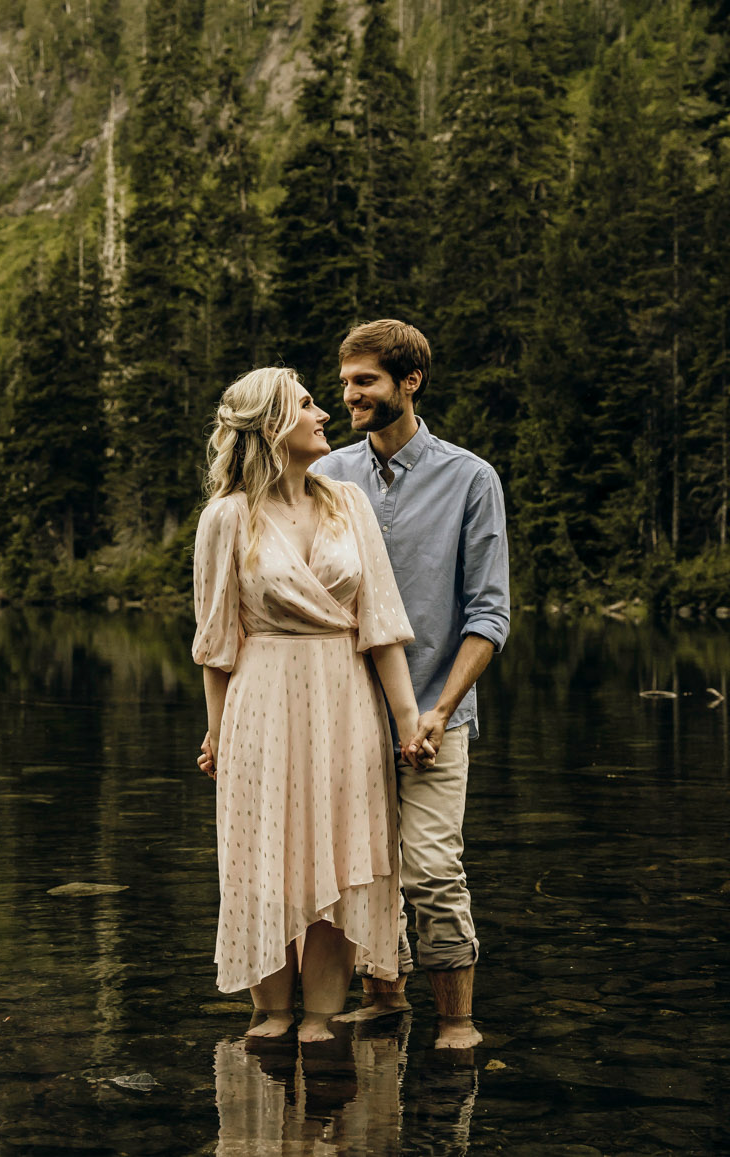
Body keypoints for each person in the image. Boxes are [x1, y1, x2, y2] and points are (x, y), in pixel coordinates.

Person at [192, 367, 426, 1043]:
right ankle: (270, 1012)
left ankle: (322, 1015)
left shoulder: (347, 504)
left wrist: (408, 725)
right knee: (264, 856)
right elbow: (217, 642)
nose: (325, 413)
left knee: (343, 851)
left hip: (346, 699)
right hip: (260, 702)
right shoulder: (226, 517)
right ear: (271, 427)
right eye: (306, 405)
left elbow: (382, 625)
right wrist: (215, 736)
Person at [315, 320, 509, 1051]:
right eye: (344, 383)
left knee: (430, 866)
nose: (348, 395)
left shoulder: (470, 478)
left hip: (437, 712)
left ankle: (457, 1022)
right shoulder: (328, 476)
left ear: (409, 381)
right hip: (346, 714)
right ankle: (386, 998)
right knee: (363, 868)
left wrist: (438, 709)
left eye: (363, 381)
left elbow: (489, 615)